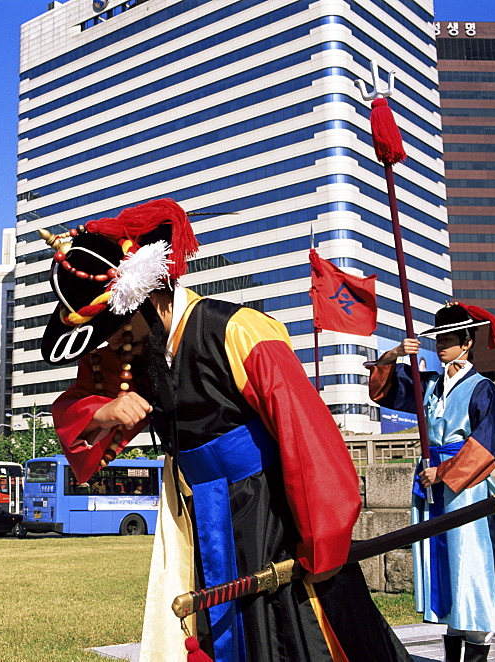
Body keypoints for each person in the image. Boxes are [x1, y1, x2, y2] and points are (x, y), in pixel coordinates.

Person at [42, 199, 410, 661]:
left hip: (271, 515)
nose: (114, 344)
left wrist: (322, 540)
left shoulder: (239, 330)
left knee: (300, 638)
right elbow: (73, 411)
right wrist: (105, 411)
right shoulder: (137, 353)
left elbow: (309, 439)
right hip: (196, 519)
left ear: (148, 296)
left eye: (116, 331)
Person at [367, 303, 495, 662]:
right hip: (431, 485)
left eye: (448, 339)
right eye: (438, 339)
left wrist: (445, 472)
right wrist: (394, 353)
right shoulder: (430, 384)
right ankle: (452, 646)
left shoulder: (483, 389)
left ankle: (477, 647)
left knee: (471, 561)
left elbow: (490, 443)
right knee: (447, 567)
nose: (440, 345)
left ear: (466, 343)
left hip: (465, 488)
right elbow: (383, 392)